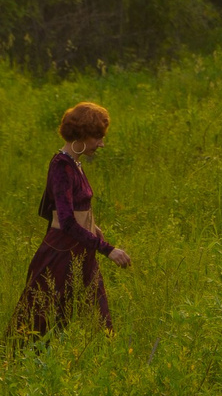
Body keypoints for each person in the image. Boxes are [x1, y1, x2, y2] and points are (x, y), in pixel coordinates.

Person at [8, 101, 133, 340]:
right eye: (98, 137)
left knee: (100, 318)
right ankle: (14, 367)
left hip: (81, 251)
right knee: (39, 321)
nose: (102, 143)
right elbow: (66, 221)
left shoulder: (75, 164)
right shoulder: (61, 167)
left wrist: (94, 229)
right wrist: (108, 250)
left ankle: (108, 365)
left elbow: (77, 209)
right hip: (62, 253)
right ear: (81, 135)